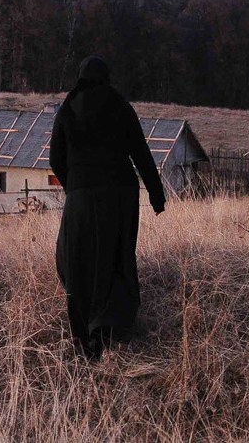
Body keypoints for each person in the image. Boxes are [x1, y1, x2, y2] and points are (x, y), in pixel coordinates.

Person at [49, 56, 166, 359]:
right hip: (121, 194)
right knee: (117, 256)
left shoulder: (68, 109)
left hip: (82, 195)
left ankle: (87, 336)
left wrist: (74, 184)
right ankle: (114, 326)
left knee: (76, 260)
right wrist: (156, 195)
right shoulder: (120, 106)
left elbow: (54, 159)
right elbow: (140, 152)